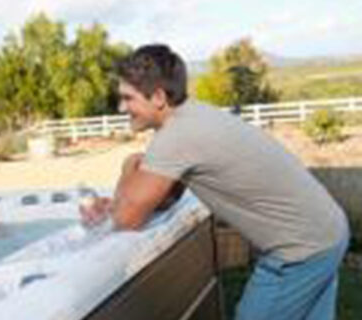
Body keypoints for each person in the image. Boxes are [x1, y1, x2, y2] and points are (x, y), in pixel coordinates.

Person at [80, 44, 349, 320]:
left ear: (158, 96)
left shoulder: (175, 136)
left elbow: (126, 220)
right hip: (327, 230)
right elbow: (168, 196)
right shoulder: (193, 116)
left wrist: (129, 166)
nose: (121, 106)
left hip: (299, 251)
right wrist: (121, 200)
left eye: (128, 98)